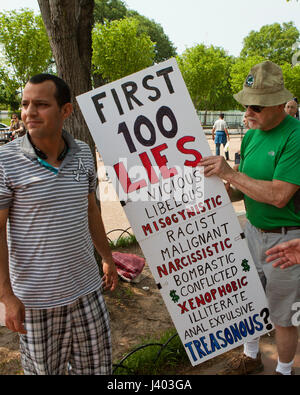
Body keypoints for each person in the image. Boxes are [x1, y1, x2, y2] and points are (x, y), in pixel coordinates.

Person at [0, 73, 118, 375]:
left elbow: (91, 210)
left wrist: (107, 258)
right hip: (36, 303)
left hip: (87, 292)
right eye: (25, 104)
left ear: (66, 110)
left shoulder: (82, 153)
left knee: (98, 370)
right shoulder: (5, 160)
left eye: (41, 104)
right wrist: (6, 296)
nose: (29, 112)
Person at [199, 61, 300, 375]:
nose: (248, 113)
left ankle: (283, 370)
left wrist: (230, 174)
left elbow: (279, 195)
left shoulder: (295, 138)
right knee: (248, 298)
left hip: (286, 240)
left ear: (278, 104)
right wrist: (222, 191)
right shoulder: (254, 134)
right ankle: (251, 354)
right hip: (253, 230)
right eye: (245, 104)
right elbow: (245, 186)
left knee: (283, 315)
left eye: (255, 106)